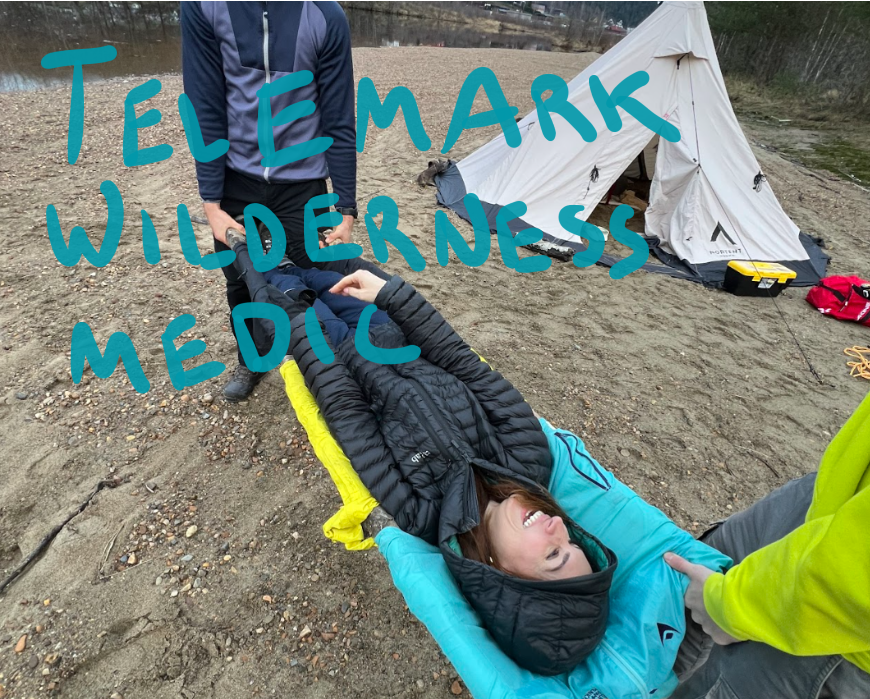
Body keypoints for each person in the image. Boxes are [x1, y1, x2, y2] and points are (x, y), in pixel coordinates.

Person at [230, 245, 859, 695]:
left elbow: (342, 410)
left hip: (338, 355)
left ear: (497, 572)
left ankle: (268, 268)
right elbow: (466, 365)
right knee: (334, 266)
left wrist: (296, 325)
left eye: (553, 557)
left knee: (284, 286)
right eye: (572, 543)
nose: (561, 530)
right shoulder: (529, 457)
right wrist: (393, 296)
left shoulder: (420, 512)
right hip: (394, 329)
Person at [181, 1, 359, 402]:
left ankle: (329, 365)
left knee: (318, 277)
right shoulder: (203, 8)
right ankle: (254, 359)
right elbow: (205, 106)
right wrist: (211, 202)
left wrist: (347, 206)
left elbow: (338, 116)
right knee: (241, 281)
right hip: (235, 179)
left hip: (305, 182)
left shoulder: (325, 16)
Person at [665, 391, 870, 698]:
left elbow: (850, 579)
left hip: (840, 631)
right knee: (679, 598)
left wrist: (729, 606)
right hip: (837, 492)